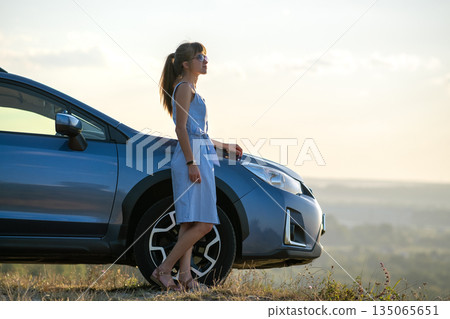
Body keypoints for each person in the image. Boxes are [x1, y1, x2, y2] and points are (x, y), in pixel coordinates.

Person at [153, 42, 243, 291]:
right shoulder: (183, 88)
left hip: (199, 154)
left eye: (206, 56)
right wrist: (192, 162)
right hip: (191, 158)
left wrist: (223, 146)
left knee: (189, 223)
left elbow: (199, 133)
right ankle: (162, 270)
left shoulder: (190, 88)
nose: (206, 61)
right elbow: (180, 129)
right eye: (200, 57)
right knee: (204, 223)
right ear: (185, 63)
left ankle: (185, 277)